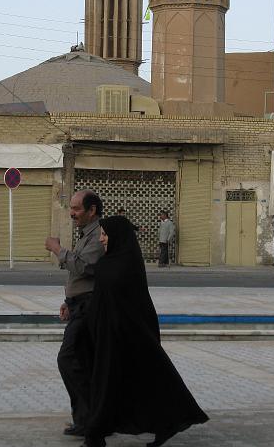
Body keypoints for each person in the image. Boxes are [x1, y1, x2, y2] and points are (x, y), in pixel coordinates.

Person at [82, 216, 208, 447]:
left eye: (104, 234)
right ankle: (98, 433)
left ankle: (96, 434)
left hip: (126, 336)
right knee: (123, 384)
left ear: (117, 236)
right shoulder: (121, 261)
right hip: (114, 335)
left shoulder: (118, 265)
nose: (101, 239)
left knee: (129, 383)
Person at [45, 190, 105, 438]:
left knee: (68, 359)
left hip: (89, 309)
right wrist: (68, 300)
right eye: (71, 208)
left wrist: (58, 250)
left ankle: (89, 420)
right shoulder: (85, 235)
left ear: (91, 211)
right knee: (83, 363)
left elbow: (85, 267)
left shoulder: (99, 236)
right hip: (79, 305)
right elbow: (79, 274)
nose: (72, 214)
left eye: (77, 209)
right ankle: (89, 419)